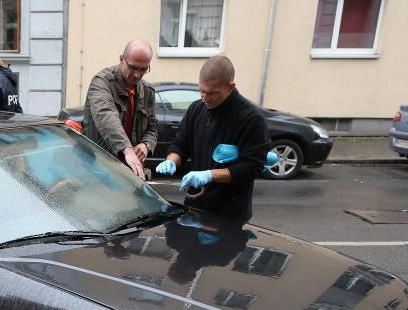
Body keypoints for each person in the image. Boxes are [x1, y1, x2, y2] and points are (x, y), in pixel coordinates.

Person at [156, 55, 269, 222]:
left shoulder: (251, 119)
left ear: (230, 87)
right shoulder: (196, 109)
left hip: (229, 214)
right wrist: (172, 160)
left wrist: (209, 175)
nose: (205, 98)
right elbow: (181, 143)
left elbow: (252, 166)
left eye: (213, 93)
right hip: (195, 206)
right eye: (202, 91)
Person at [81, 40, 158, 180]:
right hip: (96, 170)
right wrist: (127, 150)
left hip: (130, 174)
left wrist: (146, 145)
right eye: (133, 67)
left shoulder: (147, 91)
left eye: (143, 69)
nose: (137, 75)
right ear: (121, 59)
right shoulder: (101, 83)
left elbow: (152, 130)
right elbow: (106, 116)